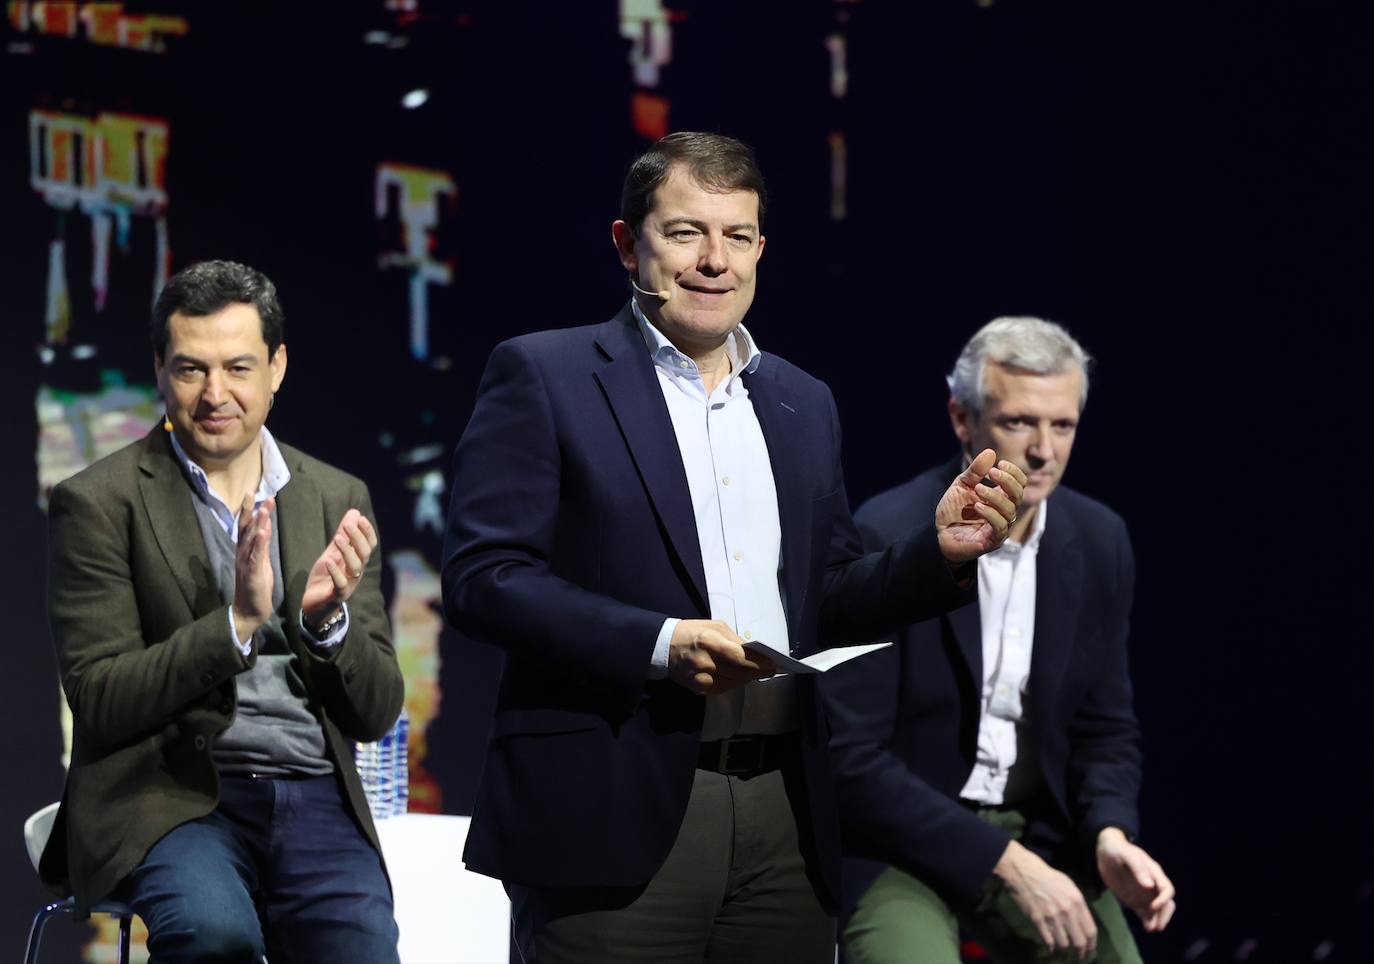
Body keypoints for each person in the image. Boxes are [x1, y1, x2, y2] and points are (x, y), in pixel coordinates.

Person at [441, 132, 1027, 964]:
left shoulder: (800, 400)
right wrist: (659, 644)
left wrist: (939, 555)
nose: (714, 260)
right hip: (612, 808)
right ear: (627, 244)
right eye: (685, 232)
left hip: (784, 810)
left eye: (737, 236)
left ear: (760, 248)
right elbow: (482, 579)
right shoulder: (547, 374)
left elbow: (824, 597)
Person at [40, 260, 405, 963]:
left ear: (277, 367)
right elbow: (100, 698)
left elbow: (377, 711)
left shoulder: (336, 496)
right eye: (190, 370)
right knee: (216, 940)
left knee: (360, 950)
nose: (216, 394)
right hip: (169, 797)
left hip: (313, 791)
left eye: (238, 367)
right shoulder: (98, 502)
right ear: (158, 370)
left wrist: (328, 627)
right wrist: (236, 624)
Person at [821, 317, 1175, 964]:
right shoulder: (890, 533)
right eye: (1018, 422)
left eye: (1061, 426)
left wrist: (1110, 834)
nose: (1043, 450)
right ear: (962, 419)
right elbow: (849, 759)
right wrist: (1003, 862)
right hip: (903, 842)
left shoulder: (1100, 542)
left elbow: (1105, 727)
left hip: (1040, 834)